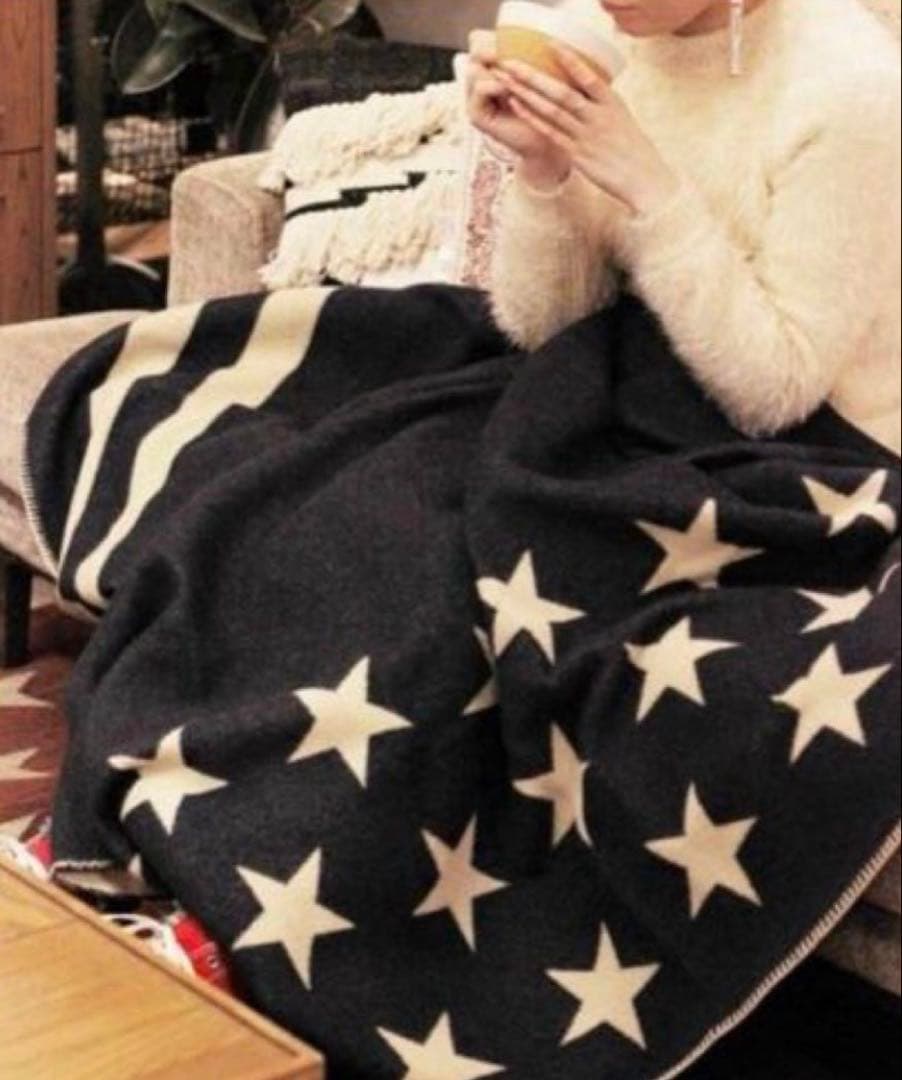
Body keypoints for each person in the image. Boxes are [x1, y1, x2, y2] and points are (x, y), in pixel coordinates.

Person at [467, 0, 901, 452]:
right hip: (629, 393)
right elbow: (547, 331)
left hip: (815, 446)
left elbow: (778, 395)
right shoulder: (601, 29)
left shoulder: (852, 86)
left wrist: (652, 191)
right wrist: (544, 164)